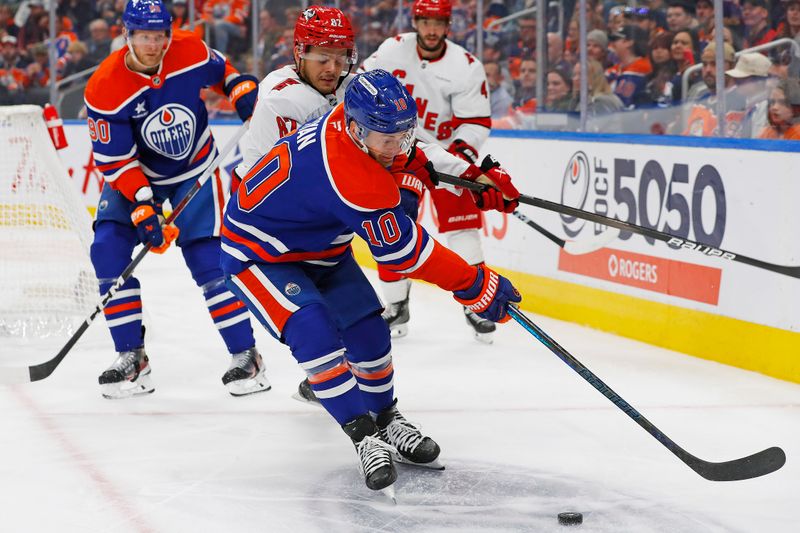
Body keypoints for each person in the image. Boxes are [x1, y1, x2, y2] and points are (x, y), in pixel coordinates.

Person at [220, 69, 522, 495]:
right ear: (357, 131)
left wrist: (473, 178)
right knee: (314, 330)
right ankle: (364, 435)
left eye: (402, 133)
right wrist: (474, 285)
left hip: (321, 249)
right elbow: (403, 252)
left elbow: (410, 151)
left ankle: (386, 418)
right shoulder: (346, 171)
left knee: (369, 330)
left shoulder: (359, 127)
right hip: (260, 255)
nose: (397, 144)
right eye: (387, 138)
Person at [83, 0, 266, 399]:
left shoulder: (189, 49)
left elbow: (224, 72)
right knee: (108, 251)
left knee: (209, 261)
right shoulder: (104, 86)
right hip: (136, 175)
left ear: (169, 33)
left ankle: (246, 355)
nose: (153, 45)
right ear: (127, 34)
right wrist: (144, 204)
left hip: (194, 169)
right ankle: (132, 357)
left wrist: (240, 89)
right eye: (144, 36)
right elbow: (116, 161)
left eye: (159, 36)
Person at [361, 0, 500, 343]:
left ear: (448, 24)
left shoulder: (465, 66)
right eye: (427, 22)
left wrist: (459, 156)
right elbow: (361, 88)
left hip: (443, 155)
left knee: (463, 226)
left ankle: (475, 304)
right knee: (393, 224)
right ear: (416, 21)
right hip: (396, 153)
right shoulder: (391, 50)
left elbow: (475, 121)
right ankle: (397, 305)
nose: (433, 29)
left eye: (439, 22)